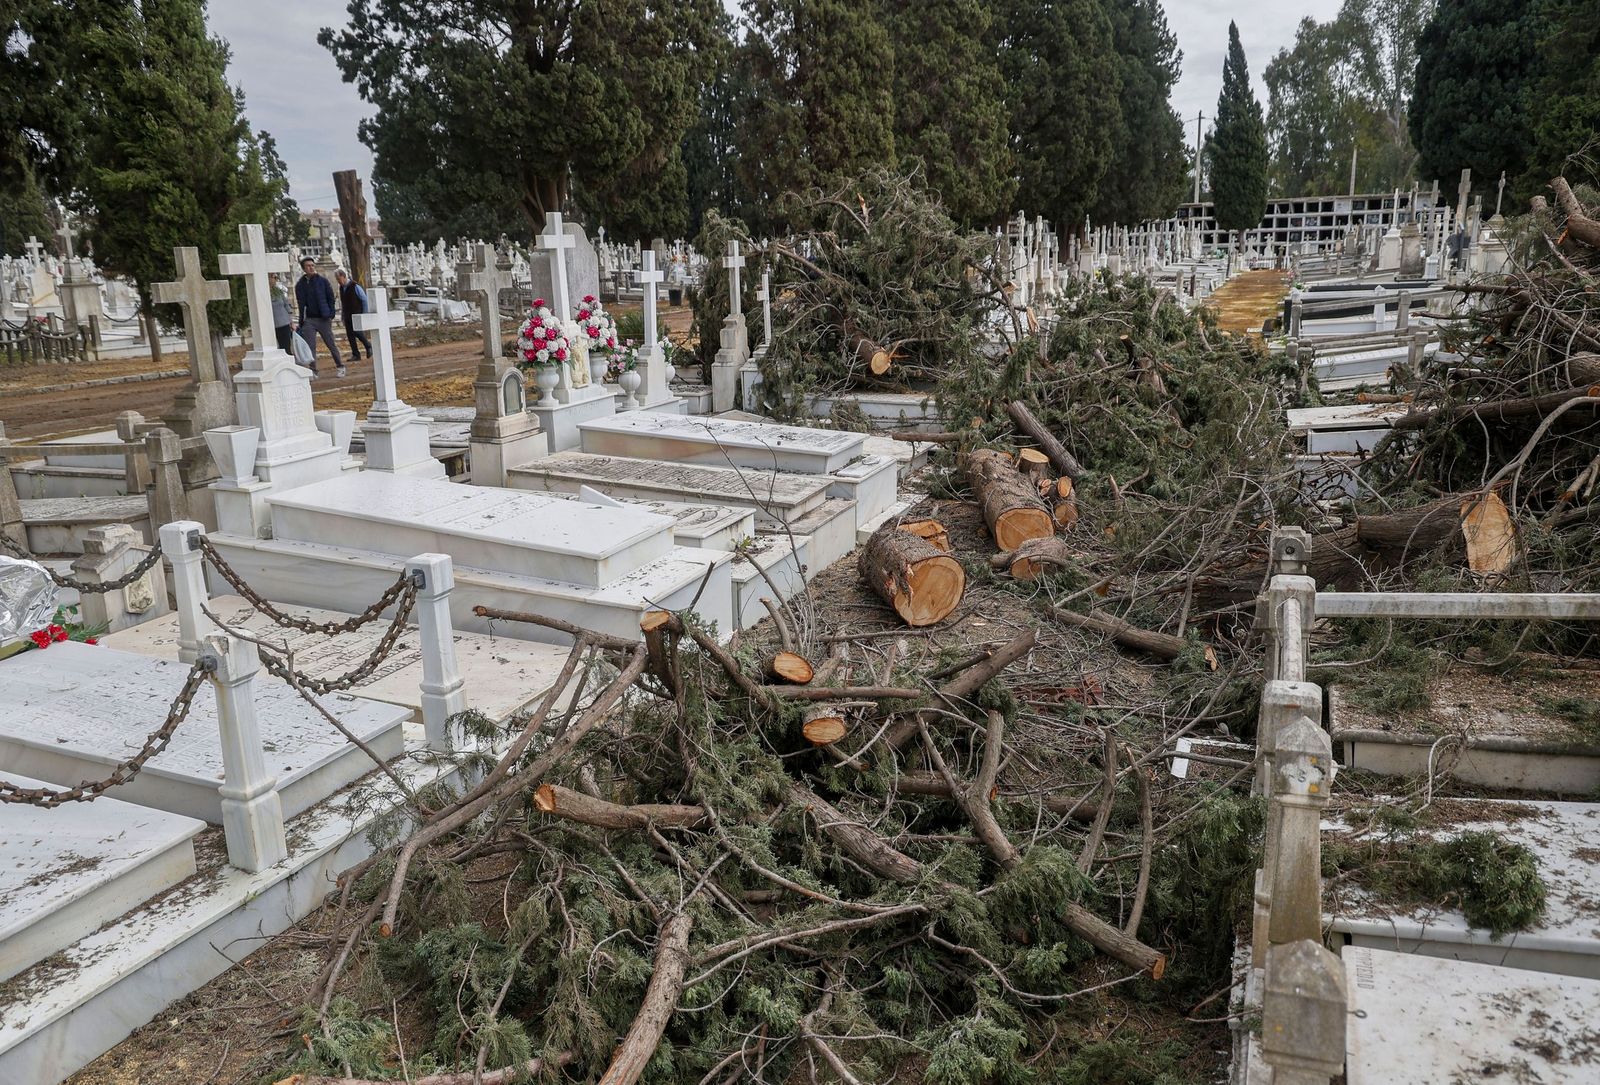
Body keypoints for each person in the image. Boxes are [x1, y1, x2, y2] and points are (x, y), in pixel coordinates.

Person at [295, 256, 345, 377]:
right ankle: (313, 370)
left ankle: (340, 366)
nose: (311, 268)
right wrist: (301, 320)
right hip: (309, 320)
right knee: (310, 346)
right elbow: (301, 303)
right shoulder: (300, 285)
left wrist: (330, 314)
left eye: (312, 265)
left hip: (323, 318)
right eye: (308, 266)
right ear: (304, 268)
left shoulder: (322, 281)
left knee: (330, 343)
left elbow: (330, 298)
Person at [335, 268, 371, 362]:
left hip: (356, 313)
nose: (339, 282)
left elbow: (364, 299)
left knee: (357, 332)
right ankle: (355, 354)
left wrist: (365, 314)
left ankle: (368, 345)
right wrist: (343, 316)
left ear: (343, 277)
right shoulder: (342, 288)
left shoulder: (355, 286)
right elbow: (343, 303)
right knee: (350, 335)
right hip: (347, 314)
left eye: (339, 279)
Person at [270, 274, 294, 355]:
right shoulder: (263, 293)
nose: (276, 280)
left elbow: (286, 305)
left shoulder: (278, 291)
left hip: (284, 323)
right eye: (274, 277)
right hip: (272, 325)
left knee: (286, 348)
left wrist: (291, 321)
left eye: (276, 278)